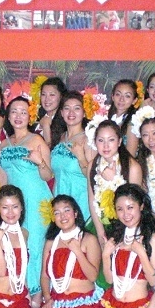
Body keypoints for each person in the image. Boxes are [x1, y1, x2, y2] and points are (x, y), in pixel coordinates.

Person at [0, 96, 54, 308]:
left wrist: (39, 161)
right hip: (13, 205)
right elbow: (2, 178)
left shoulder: (37, 140)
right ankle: (20, 293)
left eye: (23, 112)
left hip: (36, 200)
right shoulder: (4, 144)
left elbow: (48, 175)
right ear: (8, 115)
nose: (18, 116)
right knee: (16, 245)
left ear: (29, 116)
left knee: (35, 246)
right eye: (14, 111)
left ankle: (37, 295)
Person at [91, 184, 155, 308]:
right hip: (115, 303)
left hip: (138, 306)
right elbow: (109, 280)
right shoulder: (116, 236)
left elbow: (154, 281)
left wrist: (141, 253)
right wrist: (106, 255)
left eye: (130, 207)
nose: (125, 214)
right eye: (120, 209)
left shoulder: (152, 238)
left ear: (141, 206)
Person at [35, 195, 102, 308]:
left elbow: (93, 276)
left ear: (75, 213)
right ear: (53, 218)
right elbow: (45, 275)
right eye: (57, 213)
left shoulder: (89, 239)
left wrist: (78, 251)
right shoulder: (51, 242)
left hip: (83, 300)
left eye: (66, 210)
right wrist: (47, 298)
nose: (63, 216)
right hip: (57, 298)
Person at [88, 119, 142, 246]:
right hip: (101, 224)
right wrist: (100, 233)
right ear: (95, 142)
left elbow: (135, 205)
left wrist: (113, 181)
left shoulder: (132, 167)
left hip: (128, 225)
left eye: (111, 140)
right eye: (101, 140)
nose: (106, 146)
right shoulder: (93, 165)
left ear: (119, 142)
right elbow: (92, 200)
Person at [50, 91, 96, 221]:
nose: (71, 113)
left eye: (76, 108)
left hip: (80, 200)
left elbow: (93, 177)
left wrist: (81, 157)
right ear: (61, 112)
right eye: (67, 108)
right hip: (59, 198)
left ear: (84, 112)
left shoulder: (88, 139)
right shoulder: (60, 137)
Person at [106, 79, 139, 156]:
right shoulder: (108, 118)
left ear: (134, 100)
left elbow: (130, 156)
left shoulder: (132, 124)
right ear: (113, 96)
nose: (121, 99)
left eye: (127, 96)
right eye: (118, 94)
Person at [35, 77, 67, 145]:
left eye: (52, 95)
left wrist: (46, 126)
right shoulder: (37, 118)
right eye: (43, 94)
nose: (47, 99)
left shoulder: (65, 122)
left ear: (61, 96)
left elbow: (54, 149)